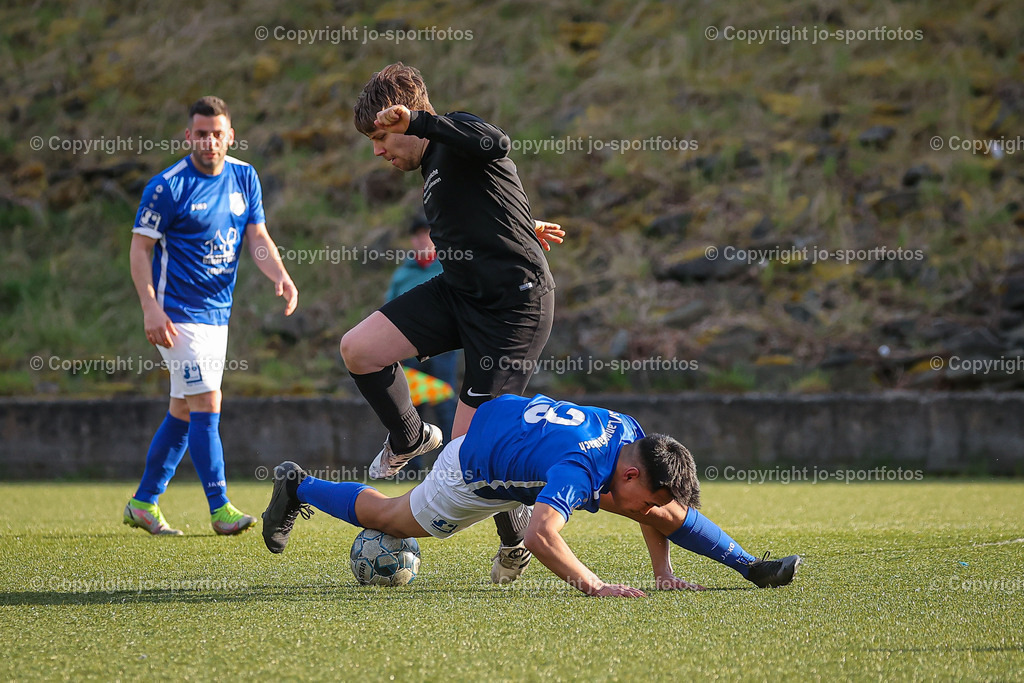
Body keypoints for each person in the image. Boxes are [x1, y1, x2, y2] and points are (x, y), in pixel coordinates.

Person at [340, 63, 565, 582]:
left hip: (514, 309)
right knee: (360, 348)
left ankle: (516, 540)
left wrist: (420, 119)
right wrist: (518, 224)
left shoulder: (454, 134)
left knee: (468, 458)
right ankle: (411, 437)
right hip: (461, 293)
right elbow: (483, 200)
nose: (377, 150)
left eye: (381, 136)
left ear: (406, 119)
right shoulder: (433, 165)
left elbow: (495, 143)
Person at [261, 393, 801, 595]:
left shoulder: (632, 437)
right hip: (469, 471)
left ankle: (750, 567)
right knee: (390, 519)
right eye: (649, 499)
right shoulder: (580, 470)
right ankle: (297, 485)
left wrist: (661, 572)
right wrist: (594, 584)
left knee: (639, 505)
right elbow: (547, 537)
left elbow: (653, 508)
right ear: (633, 474)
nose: (651, 511)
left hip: (507, 423)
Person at [124, 96, 298, 536]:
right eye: (200, 134)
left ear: (230, 135)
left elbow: (256, 234)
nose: (209, 142)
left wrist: (279, 273)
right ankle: (220, 507)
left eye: (217, 133)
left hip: (217, 317)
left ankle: (144, 502)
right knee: (207, 403)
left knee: (183, 410)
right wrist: (150, 306)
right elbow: (140, 249)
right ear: (188, 136)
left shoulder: (244, 177)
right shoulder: (167, 187)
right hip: (176, 316)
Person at [385, 214, 459, 463]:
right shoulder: (402, 275)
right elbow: (388, 311)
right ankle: (410, 466)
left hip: (444, 348)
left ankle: (452, 466)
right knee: (409, 408)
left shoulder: (450, 266)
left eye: (426, 233)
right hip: (408, 350)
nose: (422, 240)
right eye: (416, 235)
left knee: (445, 405)